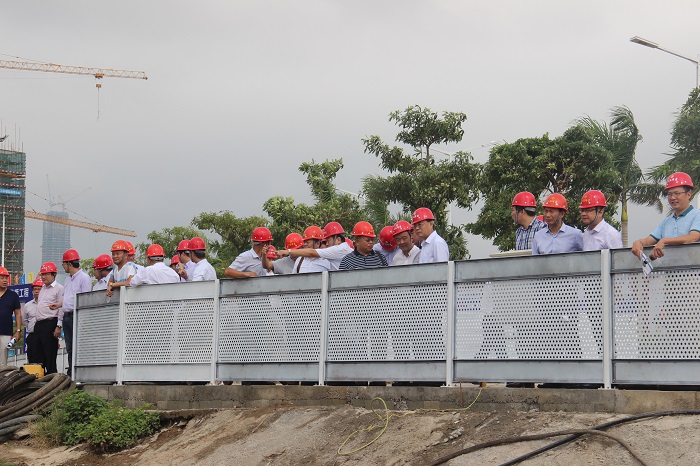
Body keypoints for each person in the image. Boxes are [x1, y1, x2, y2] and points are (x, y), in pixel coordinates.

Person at [631, 172, 700, 260]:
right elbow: (647, 241)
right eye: (669, 194)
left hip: (693, 268)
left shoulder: (697, 215)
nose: (672, 197)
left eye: (677, 193)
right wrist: (638, 242)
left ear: (688, 195)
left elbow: (693, 237)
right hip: (669, 268)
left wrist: (664, 241)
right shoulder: (666, 222)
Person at [61, 249, 92, 377]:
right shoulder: (67, 280)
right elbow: (67, 298)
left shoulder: (84, 278)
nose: (63, 266)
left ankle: (79, 373)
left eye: (64, 263)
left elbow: (86, 300)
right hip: (67, 316)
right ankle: (71, 373)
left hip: (77, 316)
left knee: (78, 346)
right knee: (69, 347)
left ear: (69, 264)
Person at [277, 221, 353, 271]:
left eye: (328, 240)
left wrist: (288, 252)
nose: (326, 244)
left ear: (338, 240)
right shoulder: (300, 261)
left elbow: (311, 252)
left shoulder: (339, 250)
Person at [34, 262, 64, 374]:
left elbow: (61, 307)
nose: (43, 277)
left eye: (46, 274)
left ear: (54, 275)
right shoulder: (42, 288)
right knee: (39, 354)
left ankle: (52, 375)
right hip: (39, 324)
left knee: (49, 353)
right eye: (42, 274)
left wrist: (58, 326)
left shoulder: (59, 288)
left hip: (50, 323)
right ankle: (42, 376)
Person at [0, 266, 21, 367]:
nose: (5, 280)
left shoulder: (13, 296)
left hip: (5, 333)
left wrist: (18, 331)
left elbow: (18, 313)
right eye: (2, 278)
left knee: (2, 363)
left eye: (6, 278)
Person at [22, 277, 42, 364]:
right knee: (32, 359)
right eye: (35, 289)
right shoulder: (28, 305)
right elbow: (24, 320)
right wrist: (31, 327)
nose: (36, 291)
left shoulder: (47, 304)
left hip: (44, 335)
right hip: (32, 335)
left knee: (45, 359)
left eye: (39, 289)